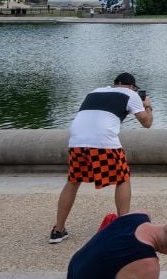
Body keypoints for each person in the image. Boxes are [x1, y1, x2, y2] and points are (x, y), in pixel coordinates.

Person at [50, 72, 152, 245]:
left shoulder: (95, 91)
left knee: (73, 181)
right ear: (133, 87)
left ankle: (58, 230)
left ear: (115, 84)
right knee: (123, 178)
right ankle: (123, 228)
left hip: (76, 140)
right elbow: (147, 123)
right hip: (103, 141)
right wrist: (148, 106)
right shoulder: (132, 94)